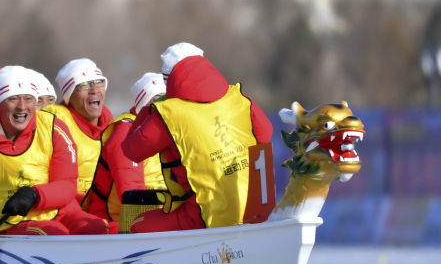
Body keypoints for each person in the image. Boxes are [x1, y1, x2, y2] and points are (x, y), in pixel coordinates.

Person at [0, 66, 107, 264]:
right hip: (12, 221)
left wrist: (34, 195)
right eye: (13, 99)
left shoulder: (53, 127)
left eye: (29, 99)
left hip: (63, 210)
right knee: (53, 235)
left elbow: (67, 185)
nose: (22, 107)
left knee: (97, 229)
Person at [122, 43, 274, 232]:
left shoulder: (168, 113)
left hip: (204, 216)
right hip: (255, 210)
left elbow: (131, 150)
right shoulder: (239, 97)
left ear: (169, 79)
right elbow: (266, 133)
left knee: (137, 224)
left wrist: (147, 109)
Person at [84, 72, 168, 224]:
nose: (165, 105)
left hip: (156, 213)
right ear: (144, 103)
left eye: (168, 99)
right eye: (159, 99)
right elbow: (133, 195)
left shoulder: (164, 131)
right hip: (116, 223)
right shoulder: (126, 135)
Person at [44, 58, 113, 205]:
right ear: (69, 96)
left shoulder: (112, 125)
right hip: (70, 208)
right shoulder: (54, 121)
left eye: (99, 82)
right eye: (84, 85)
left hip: (103, 207)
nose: (94, 90)